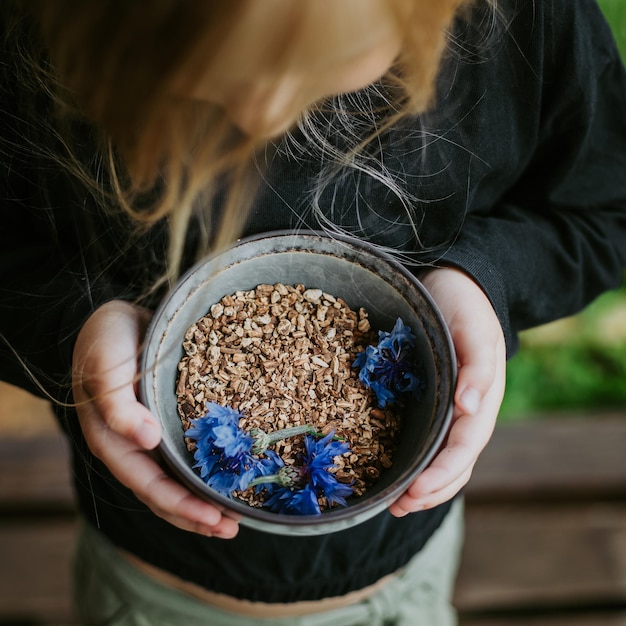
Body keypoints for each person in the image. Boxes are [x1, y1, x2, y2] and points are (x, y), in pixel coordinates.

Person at [1, 0, 625, 624]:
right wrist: (71, 327)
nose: (261, 114)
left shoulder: (525, 22)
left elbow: (603, 211)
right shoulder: (28, 34)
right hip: (149, 587)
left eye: (321, 69)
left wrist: (485, 280)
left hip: (403, 578)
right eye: (212, 79)